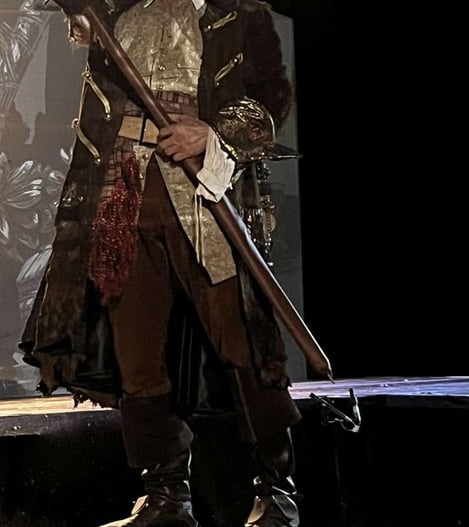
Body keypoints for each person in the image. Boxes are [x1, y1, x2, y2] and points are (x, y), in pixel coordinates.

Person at [21, 0, 303, 525]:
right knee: (137, 352)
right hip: (123, 196)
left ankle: (276, 492)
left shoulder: (241, 15)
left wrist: (213, 133)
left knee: (241, 343)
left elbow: (272, 99)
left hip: (202, 195)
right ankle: (166, 496)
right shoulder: (118, 12)